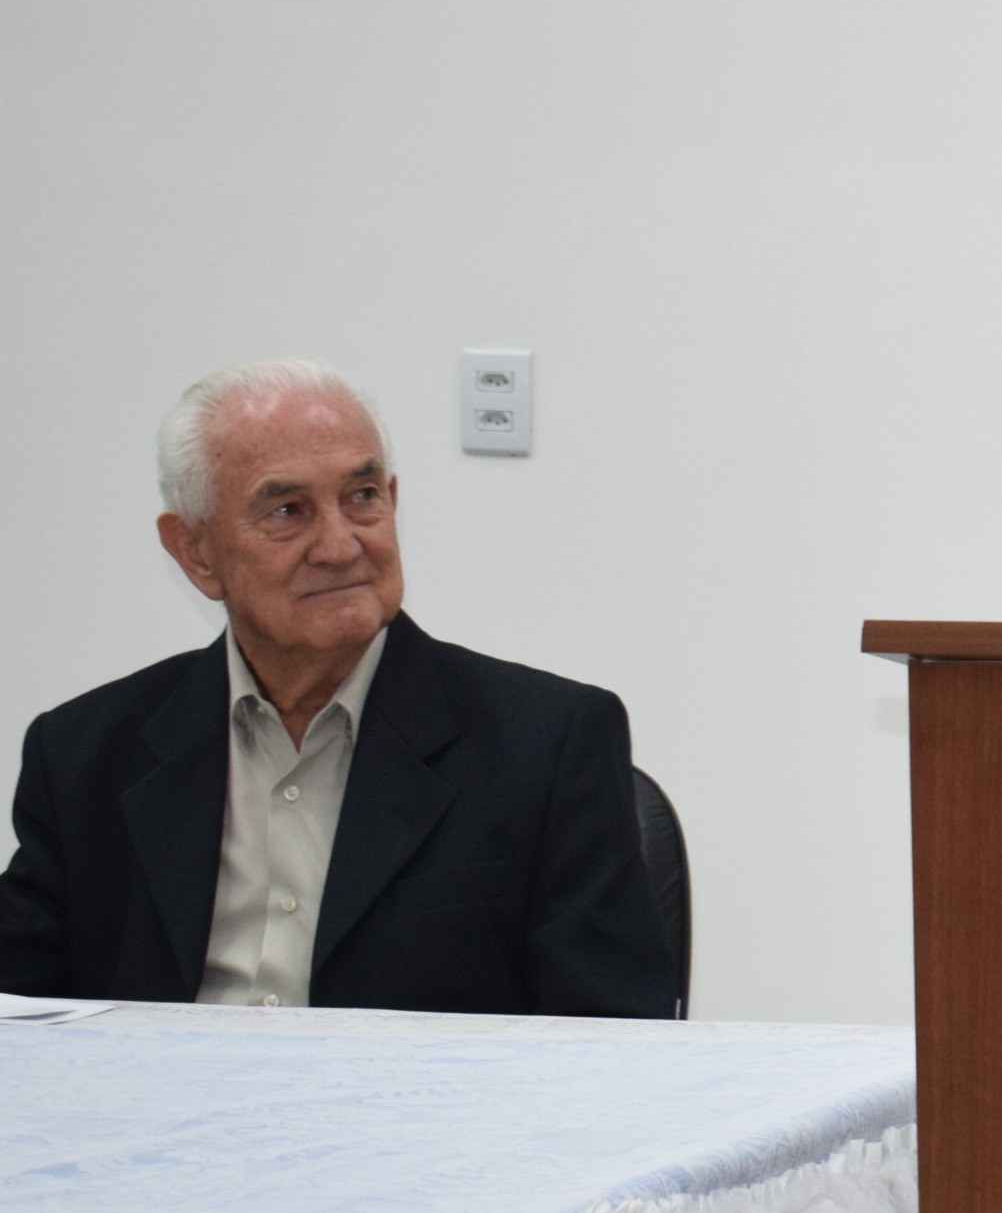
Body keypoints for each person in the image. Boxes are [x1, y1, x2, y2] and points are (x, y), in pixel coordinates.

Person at [0, 360, 677, 1015]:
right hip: (157, 1094)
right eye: (287, 510)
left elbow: (609, 1036)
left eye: (362, 497)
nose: (341, 545)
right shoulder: (83, 755)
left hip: (420, 1097)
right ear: (196, 552)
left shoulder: (547, 745)